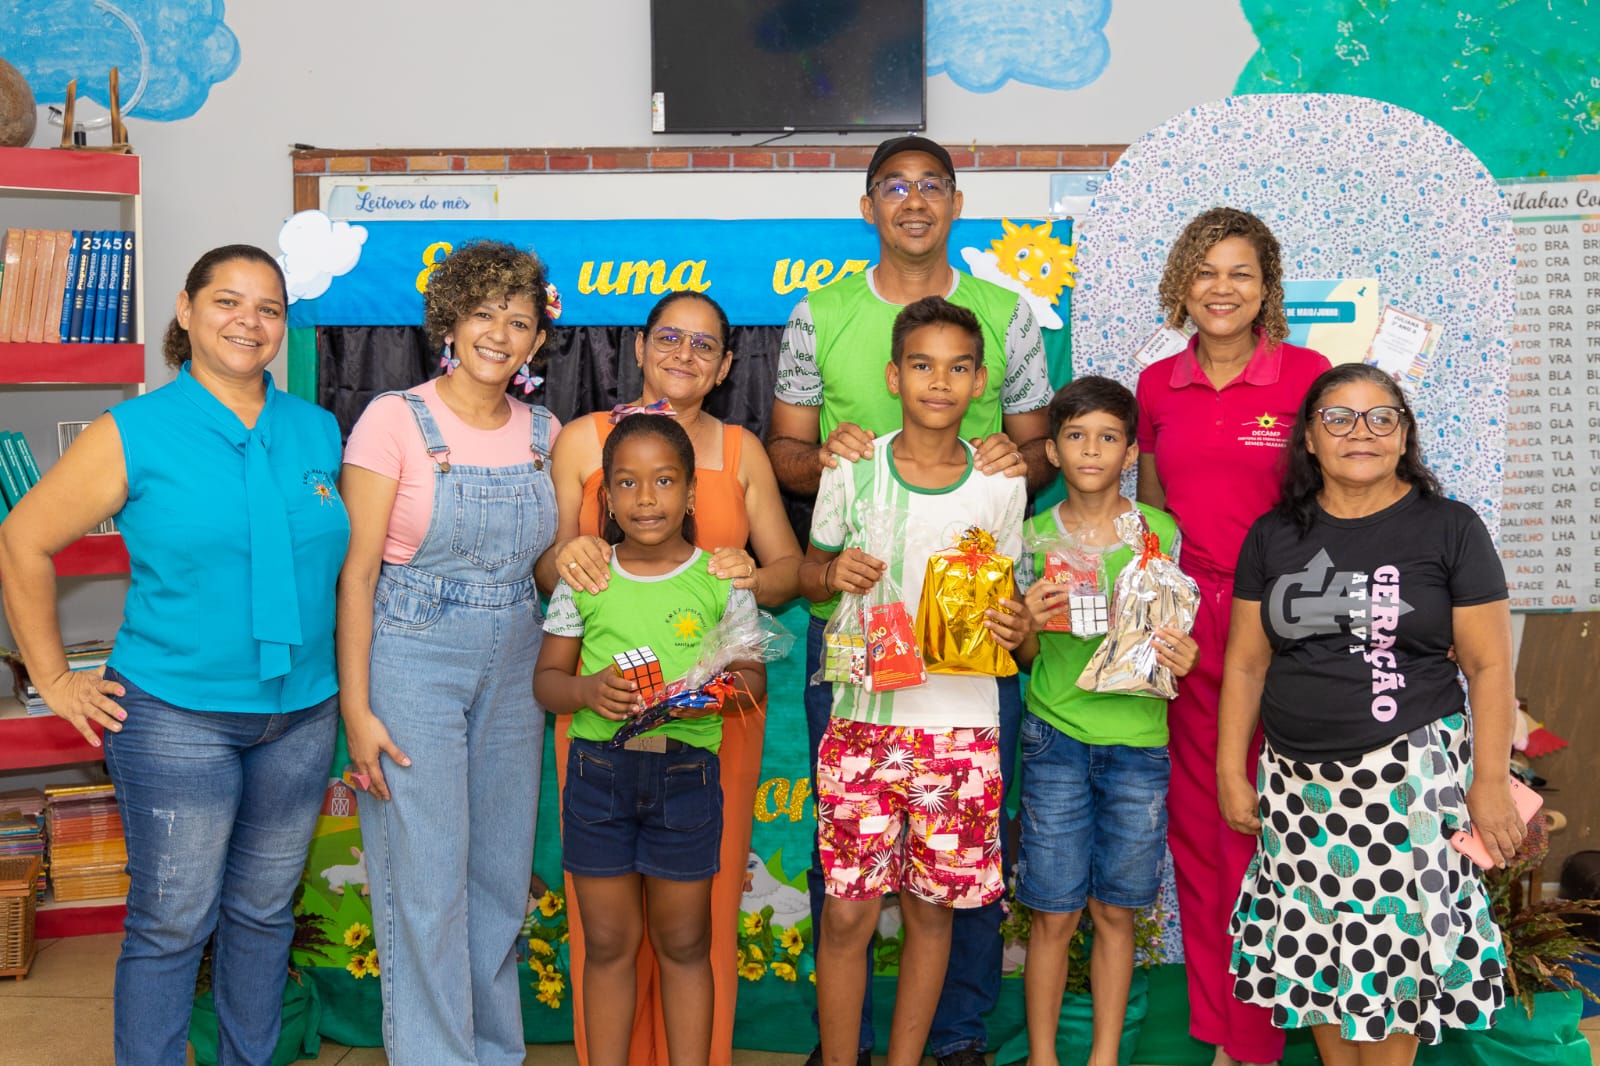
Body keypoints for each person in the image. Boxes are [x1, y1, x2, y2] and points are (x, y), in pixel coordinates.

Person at [0, 245, 349, 1065]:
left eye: (268, 308)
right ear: (186, 311)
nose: (249, 322)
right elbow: (22, 538)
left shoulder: (318, 429)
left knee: (263, 916)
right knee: (173, 921)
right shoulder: (133, 431)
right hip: (173, 717)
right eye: (227, 301)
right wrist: (52, 677)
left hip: (301, 714)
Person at [767, 134, 1051, 1066]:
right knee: (844, 880)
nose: (915, 202)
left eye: (933, 186)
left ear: (958, 202)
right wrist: (833, 460)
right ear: (869, 206)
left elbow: (1035, 452)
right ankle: (835, 1047)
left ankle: (952, 1039)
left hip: (963, 683)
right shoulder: (821, 312)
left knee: (957, 885)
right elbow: (788, 456)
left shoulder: (1009, 314)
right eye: (895, 186)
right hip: (859, 671)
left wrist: (1021, 458)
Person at [1219, 363, 1523, 1066]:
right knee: (1318, 943)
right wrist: (1231, 774)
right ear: (1309, 439)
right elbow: (1245, 663)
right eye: (1339, 418)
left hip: (1407, 781)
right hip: (1296, 788)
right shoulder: (1272, 536)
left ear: (1405, 435)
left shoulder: (1449, 528)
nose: (1361, 432)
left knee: (1397, 950)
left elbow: (1488, 665)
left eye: (1381, 417)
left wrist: (1487, 781)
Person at [537, 290, 801, 1066]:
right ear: (642, 347)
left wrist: (752, 571)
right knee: (607, 931)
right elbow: (553, 565)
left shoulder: (743, 450)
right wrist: (572, 564)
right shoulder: (583, 439)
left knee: (699, 921)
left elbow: (785, 576)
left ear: (724, 366)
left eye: (704, 344)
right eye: (669, 338)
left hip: (709, 730)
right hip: (599, 727)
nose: (684, 354)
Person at [336, 239, 559, 1065]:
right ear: (451, 321)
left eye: (519, 320)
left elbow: (545, 566)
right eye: (484, 313)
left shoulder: (546, 431)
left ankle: (494, 1052)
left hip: (517, 661)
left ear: (538, 340)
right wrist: (358, 710)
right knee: (425, 883)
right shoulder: (394, 418)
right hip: (412, 658)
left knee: (500, 879)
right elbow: (355, 576)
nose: (500, 333)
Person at [798, 297, 1028, 1066]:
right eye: (922, 365)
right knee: (846, 917)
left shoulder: (1001, 483)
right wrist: (831, 573)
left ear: (980, 380)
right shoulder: (853, 467)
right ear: (894, 376)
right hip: (861, 728)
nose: (939, 382)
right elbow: (809, 576)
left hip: (962, 736)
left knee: (933, 914)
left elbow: (1012, 607)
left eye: (958, 367)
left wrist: (1016, 628)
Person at [1135, 206, 1331, 1066]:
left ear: (1267, 289)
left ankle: (1264, 1036)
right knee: (1201, 835)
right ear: (1183, 284)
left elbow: (1341, 504)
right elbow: (1146, 519)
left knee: (1269, 836)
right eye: (1206, 272)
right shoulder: (1153, 387)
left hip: (1286, 625)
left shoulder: (1310, 376)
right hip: (1185, 629)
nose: (1222, 289)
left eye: (1240, 273)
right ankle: (1223, 1031)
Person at [1010, 377, 1199, 1066]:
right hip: (1055, 737)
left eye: (1109, 436)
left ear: (1129, 450)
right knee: (1054, 913)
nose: (1092, 449)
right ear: (1053, 451)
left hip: (1140, 745)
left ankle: (1105, 1056)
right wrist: (1026, 621)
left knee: (1116, 911)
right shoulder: (1030, 539)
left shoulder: (1161, 534)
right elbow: (1026, 658)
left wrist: (1187, 652)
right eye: (1076, 436)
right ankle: (1042, 1055)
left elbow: (1178, 640)